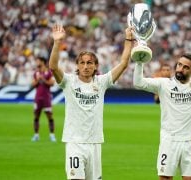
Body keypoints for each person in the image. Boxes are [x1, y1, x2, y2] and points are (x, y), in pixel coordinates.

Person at [133, 21, 191, 180]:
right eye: (179, 64)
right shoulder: (164, 84)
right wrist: (139, 61)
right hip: (169, 140)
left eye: (185, 67)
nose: (180, 68)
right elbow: (138, 82)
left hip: (190, 141)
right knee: (165, 178)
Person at [49, 24, 134, 180]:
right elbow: (53, 67)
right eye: (82, 62)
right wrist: (57, 43)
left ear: (96, 66)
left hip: (95, 143)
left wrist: (128, 40)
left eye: (89, 63)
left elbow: (123, 64)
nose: (86, 66)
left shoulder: (101, 83)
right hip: (74, 143)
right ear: (77, 65)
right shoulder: (69, 82)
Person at [31, 56, 56, 142]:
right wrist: (38, 80)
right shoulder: (36, 73)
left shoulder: (49, 72)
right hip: (38, 98)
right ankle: (36, 135)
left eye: (38, 61)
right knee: (36, 116)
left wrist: (43, 79)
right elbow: (32, 84)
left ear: (43, 62)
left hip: (46, 98)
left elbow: (52, 83)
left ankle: (52, 135)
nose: (36, 63)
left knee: (49, 116)